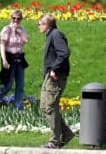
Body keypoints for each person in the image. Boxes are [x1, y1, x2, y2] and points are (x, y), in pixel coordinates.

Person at [38, 13, 73, 149]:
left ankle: (54, 141)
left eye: (40, 23)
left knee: (50, 106)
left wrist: (54, 69)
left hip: (55, 77)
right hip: (49, 76)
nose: (38, 26)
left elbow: (64, 52)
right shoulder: (51, 35)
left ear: (47, 24)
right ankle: (66, 133)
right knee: (44, 106)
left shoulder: (56, 35)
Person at [0, 10, 29, 109]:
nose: (16, 20)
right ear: (11, 18)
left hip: (20, 59)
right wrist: (4, 60)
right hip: (10, 58)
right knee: (7, 85)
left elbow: (26, 40)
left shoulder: (22, 29)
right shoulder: (6, 29)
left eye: (18, 19)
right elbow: (2, 45)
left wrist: (18, 32)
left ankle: (18, 108)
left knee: (20, 85)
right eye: (14, 18)